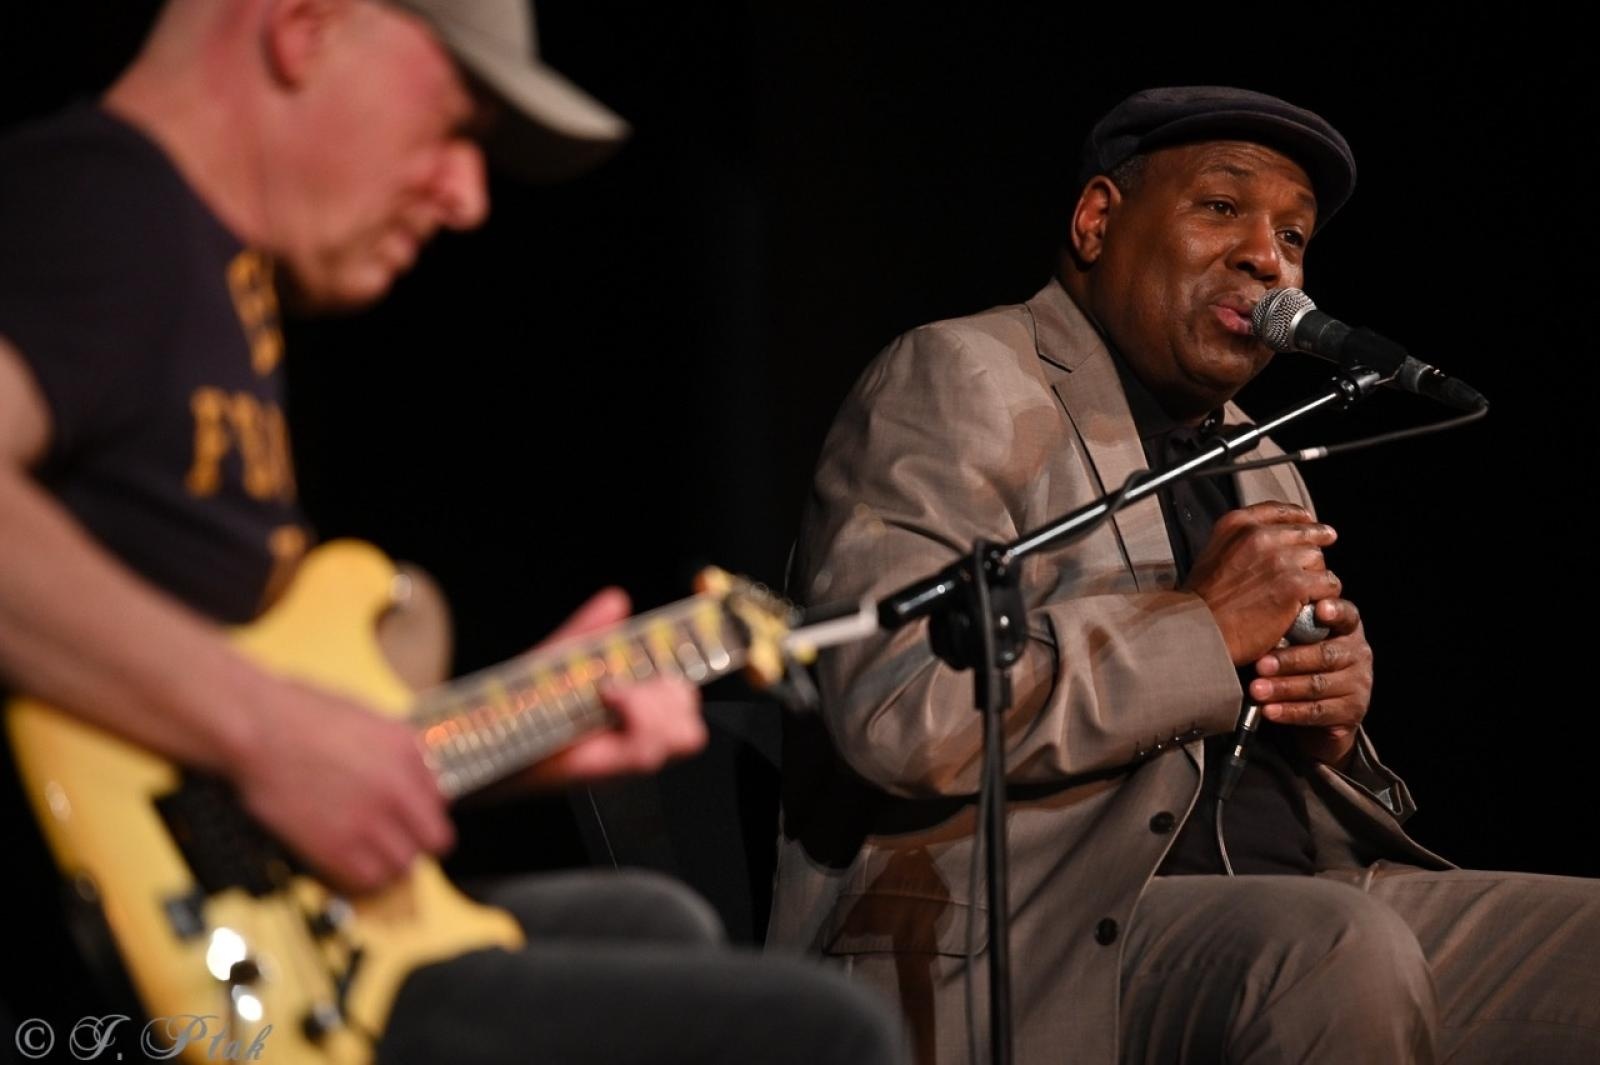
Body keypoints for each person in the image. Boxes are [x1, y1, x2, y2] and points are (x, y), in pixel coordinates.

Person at [0, 1, 905, 1062]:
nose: (469, 197)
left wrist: (513, 732)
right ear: (305, 25)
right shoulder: (103, 205)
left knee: (655, 925)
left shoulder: (211, 280)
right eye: (453, 124)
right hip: (103, 964)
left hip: (232, 917)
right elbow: (258, 728)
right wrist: (266, 732)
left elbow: (200, 735)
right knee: (818, 1036)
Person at [768, 85, 1600, 1065]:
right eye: (1221, 208)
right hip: (1033, 929)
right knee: (1334, 955)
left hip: (1293, 901)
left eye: (1293, 238)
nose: (1267, 256)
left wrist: (1332, 728)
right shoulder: (961, 376)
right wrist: (1201, 628)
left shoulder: (1259, 456)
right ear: (1095, 222)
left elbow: (1258, 752)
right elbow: (898, 704)